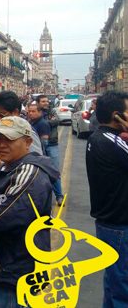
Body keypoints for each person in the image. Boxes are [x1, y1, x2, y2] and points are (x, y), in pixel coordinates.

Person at [0, 116, 58, 307]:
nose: (1, 145)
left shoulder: (28, 172)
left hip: (14, 271)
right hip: (5, 268)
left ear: (28, 142)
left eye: (9, 140)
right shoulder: (8, 168)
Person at [85, 91, 128, 307]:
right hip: (119, 223)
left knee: (114, 282)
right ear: (117, 115)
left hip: (109, 222)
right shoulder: (113, 142)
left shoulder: (97, 137)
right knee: (121, 286)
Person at [0, 92, 44, 195]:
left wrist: (1, 165)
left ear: (15, 112)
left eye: (1, 114)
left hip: (13, 195)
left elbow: (34, 165)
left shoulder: (26, 132)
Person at [36, 95, 64, 206]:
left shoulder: (51, 111)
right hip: (38, 145)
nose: (46, 103)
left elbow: (57, 121)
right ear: (38, 102)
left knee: (54, 171)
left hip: (52, 144)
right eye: (43, 101)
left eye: (47, 101)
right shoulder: (35, 113)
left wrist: (44, 123)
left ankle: (59, 196)